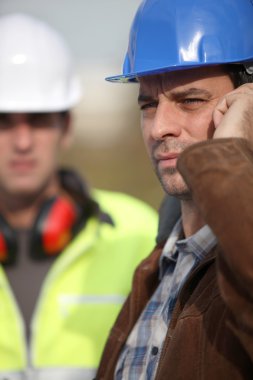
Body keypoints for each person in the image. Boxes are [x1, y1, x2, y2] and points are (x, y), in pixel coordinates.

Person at [96, 0, 253, 379]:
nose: (158, 127)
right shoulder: (155, 270)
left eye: (191, 101)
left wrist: (230, 156)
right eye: (148, 105)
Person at [0, 12, 158, 380]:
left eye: (38, 120)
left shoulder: (138, 233)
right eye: (3, 121)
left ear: (66, 126)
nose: (22, 142)